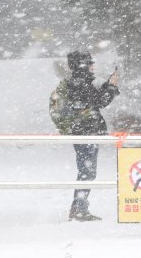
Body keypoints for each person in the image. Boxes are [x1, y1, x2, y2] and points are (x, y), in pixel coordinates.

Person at [50, 51, 119, 221]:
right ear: (83, 65)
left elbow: (94, 100)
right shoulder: (80, 83)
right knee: (87, 171)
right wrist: (111, 86)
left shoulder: (77, 82)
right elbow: (99, 101)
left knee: (86, 170)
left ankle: (79, 208)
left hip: (82, 131)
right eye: (90, 63)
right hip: (86, 133)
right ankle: (79, 209)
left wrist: (108, 86)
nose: (93, 66)